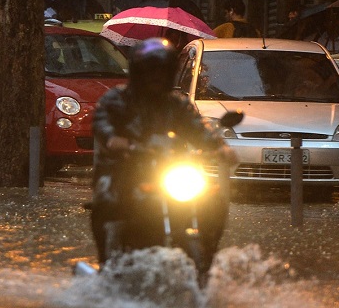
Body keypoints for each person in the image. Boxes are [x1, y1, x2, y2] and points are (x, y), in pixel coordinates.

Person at [89, 37, 232, 264]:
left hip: (169, 169)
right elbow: (102, 124)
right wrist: (115, 141)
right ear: (138, 73)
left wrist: (219, 147)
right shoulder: (117, 99)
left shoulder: (177, 104)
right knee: (105, 199)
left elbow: (199, 128)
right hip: (125, 169)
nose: (156, 77)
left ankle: (207, 254)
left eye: (162, 72)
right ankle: (106, 262)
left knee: (212, 198)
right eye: (150, 71)